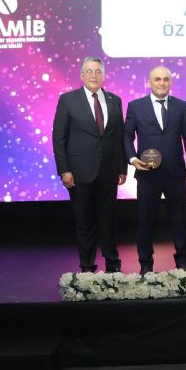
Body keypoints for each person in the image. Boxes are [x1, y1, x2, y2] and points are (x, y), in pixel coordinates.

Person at [52, 57, 127, 273]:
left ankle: (113, 265)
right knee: (85, 223)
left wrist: (122, 168)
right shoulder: (68, 100)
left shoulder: (115, 100)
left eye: (98, 71)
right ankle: (87, 267)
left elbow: (119, 137)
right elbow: (59, 138)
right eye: (89, 71)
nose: (94, 75)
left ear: (103, 75)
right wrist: (64, 170)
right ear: (82, 75)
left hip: (109, 171)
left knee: (108, 221)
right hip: (79, 172)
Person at [124, 66, 186, 274]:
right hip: (147, 173)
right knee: (145, 219)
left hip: (175, 172)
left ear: (170, 82)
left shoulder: (181, 106)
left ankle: (182, 261)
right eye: (157, 79)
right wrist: (132, 159)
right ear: (149, 82)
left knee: (179, 218)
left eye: (165, 79)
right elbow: (127, 136)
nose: (162, 83)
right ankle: (145, 263)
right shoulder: (136, 106)